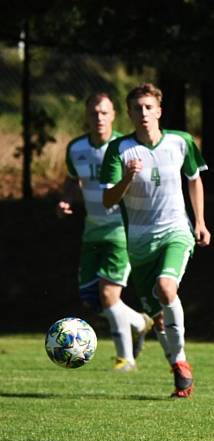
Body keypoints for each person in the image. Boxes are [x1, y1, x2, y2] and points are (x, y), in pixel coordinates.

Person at [101, 83, 211, 398]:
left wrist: (200, 222)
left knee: (166, 288)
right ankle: (178, 362)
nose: (144, 114)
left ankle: (180, 363)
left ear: (159, 111)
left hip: (176, 230)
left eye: (149, 107)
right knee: (158, 316)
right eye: (137, 108)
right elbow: (109, 199)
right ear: (130, 114)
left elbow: (194, 180)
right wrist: (126, 178)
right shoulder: (119, 150)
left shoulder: (180, 142)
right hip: (138, 242)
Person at [60, 92, 152, 372]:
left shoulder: (127, 147)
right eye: (93, 113)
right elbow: (72, 180)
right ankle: (139, 321)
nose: (99, 118)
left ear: (114, 115)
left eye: (104, 113)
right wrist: (66, 200)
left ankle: (126, 360)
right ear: (86, 116)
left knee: (109, 295)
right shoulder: (76, 148)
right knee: (90, 298)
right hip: (92, 232)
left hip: (120, 230)